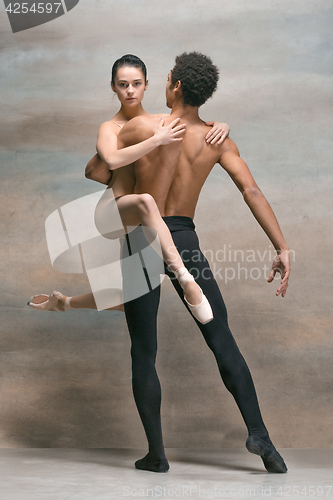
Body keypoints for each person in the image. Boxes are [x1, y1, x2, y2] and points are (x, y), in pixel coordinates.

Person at [87, 52, 290, 474]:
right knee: (222, 338)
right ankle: (263, 440)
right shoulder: (218, 139)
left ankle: (156, 456)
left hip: (143, 237)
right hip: (183, 236)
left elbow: (98, 168)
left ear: (176, 86)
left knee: (144, 350)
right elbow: (251, 191)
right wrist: (281, 247)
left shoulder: (143, 126)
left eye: (166, 79)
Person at [28, 54, 230, 324]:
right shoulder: (111, 127)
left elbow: (191, 122)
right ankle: (185, 279)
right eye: (123, 85)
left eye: (136, 83)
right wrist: (156, 141)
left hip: (146, 221)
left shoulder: (161, 122)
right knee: (144, 200)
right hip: (114, 211)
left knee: (131, 302)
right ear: (113, 86)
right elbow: (108, 162)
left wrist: (221, 125)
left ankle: (64, 302)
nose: (130, 91)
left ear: (147, 84)